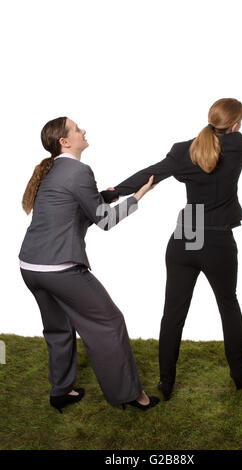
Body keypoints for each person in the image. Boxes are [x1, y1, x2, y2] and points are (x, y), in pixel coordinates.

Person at [101, 81, 242, 400]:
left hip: (186, 235)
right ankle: (239, 376)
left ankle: (165, 383)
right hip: (217, 238)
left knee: (173, 313)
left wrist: (112, 193)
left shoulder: (183, 150)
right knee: (228, 305)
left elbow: (151, 174)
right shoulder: (238, 145)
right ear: (234, 125)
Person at [18, 116, 160, 413]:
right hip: (60, 269)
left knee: (58, 328)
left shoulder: (54, 170)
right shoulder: (80, 171)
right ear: (65, 142)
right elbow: (104, 221)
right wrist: (137, 197)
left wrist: (107, 195)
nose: (84, 131)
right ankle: (131, 395)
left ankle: (60, 391)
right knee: (110, 323)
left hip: (30, 267)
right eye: (77, 129)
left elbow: (75, 210)